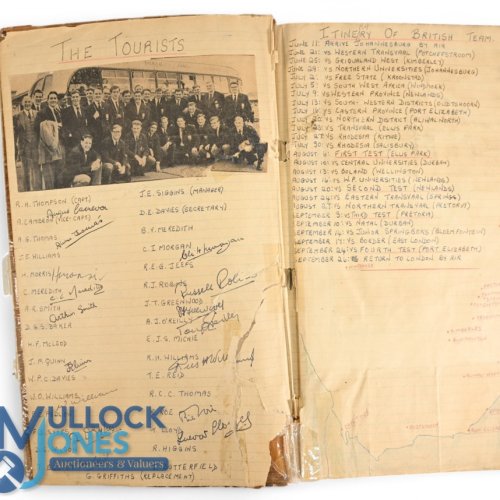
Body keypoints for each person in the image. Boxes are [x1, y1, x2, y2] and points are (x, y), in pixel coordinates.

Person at [35, 91, 64, 189]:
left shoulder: (58, 112)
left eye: (55, 98)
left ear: (57, 100)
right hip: (47, 148)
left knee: (58, 175)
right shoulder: (42, 113)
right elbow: (37, 128)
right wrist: (54, 125)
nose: (53, 100)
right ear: (47, 100)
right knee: (49, 176)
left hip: (58, 146)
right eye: (51, 98)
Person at [14, 95, 41, 191]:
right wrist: (17, 148)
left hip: (35, 146)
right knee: (26, 171)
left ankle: (37, 189)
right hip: (24, 147)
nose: (27, 104)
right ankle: (27, 190)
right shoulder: (17, 116)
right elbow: (15, 133)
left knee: (36, 169)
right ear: (22, 103)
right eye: (25, 102)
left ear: (31, 103)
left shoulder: (37, 114)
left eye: (29, 102)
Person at [86, 87, 106, 153]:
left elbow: (109, 120)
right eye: (96, 94)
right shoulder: (89, 108)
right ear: (93, 95)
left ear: (102, 94)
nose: (98, 95)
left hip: (105, 134)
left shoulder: (106, 105)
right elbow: (88, 122)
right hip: (95, 134)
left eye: (99, 94)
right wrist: (93, 117)